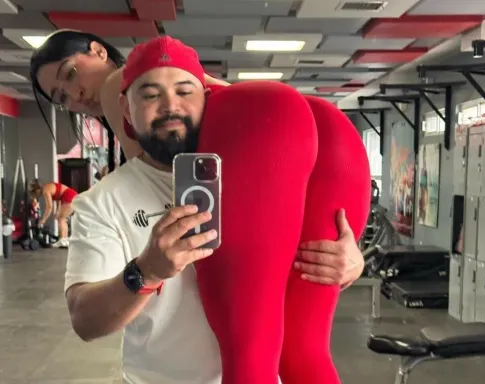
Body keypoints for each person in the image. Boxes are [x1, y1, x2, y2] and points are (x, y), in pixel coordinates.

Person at [62, 35, 370, 384]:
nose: (169, 105)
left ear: (209, 98)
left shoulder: (266, 166)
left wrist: (350, 261)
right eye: (149, 95)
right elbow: (84, 319)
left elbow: (313, 259)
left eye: (184, 91)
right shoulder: (101, 202)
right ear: (126, 111)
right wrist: (145, 272)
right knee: (264, 352)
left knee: (292, 351)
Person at [29, 29, 365, 288]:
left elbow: (157, 192)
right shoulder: (187, 103)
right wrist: (348, 258)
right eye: (61, 97)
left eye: (70, 73)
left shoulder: (116, 89)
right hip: (326, 144)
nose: (74, 94)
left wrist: (351, 262)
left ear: (99, 51)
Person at [28, 180, 77, 248]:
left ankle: (62, 240)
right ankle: (65, 241)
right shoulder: (48, 187)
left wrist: (43, 220)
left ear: (37, 190)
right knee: (61, 218)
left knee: (61, 219)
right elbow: (58, 196)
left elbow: (49, 207)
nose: (36, 196)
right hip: (71, 195)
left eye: (35, 193)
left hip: (69, 196)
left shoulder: (45, 190)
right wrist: (58, 210)